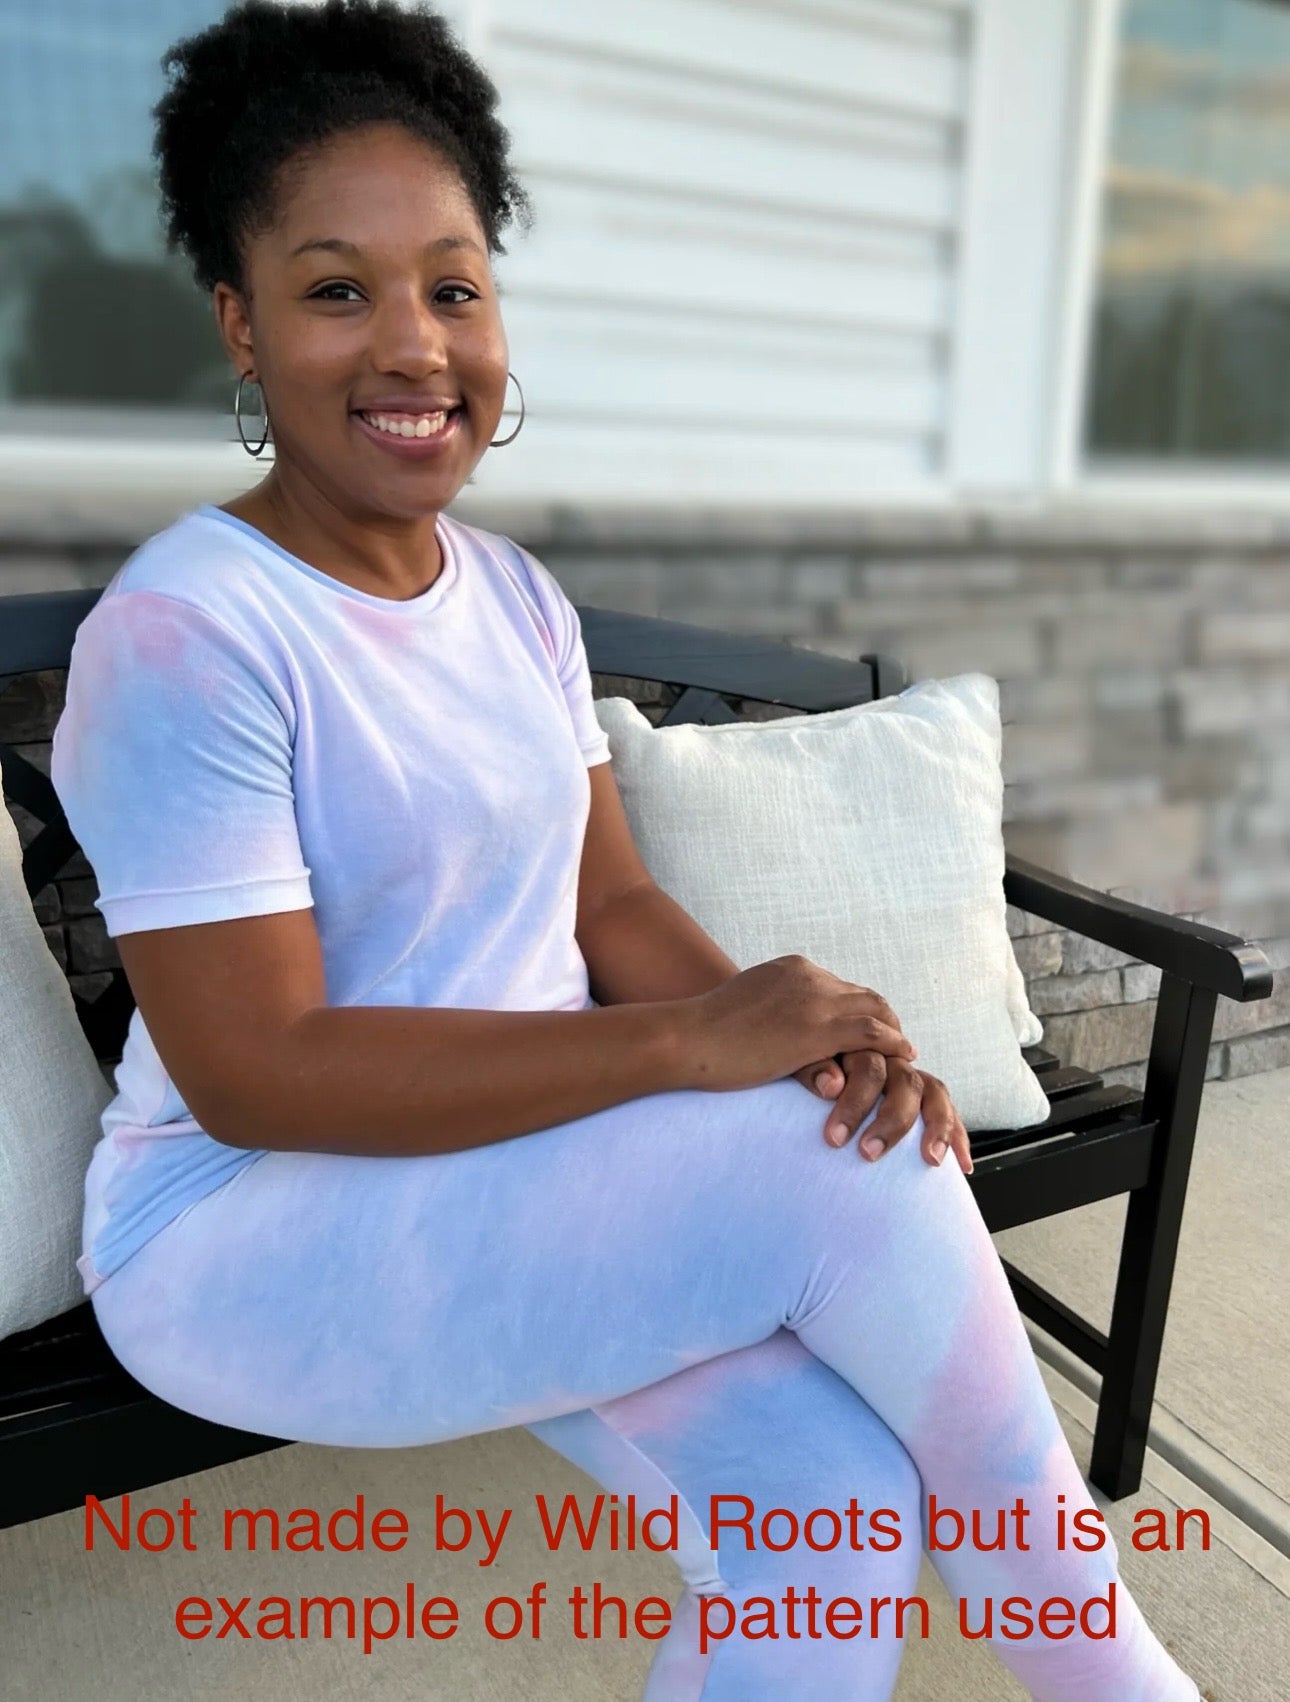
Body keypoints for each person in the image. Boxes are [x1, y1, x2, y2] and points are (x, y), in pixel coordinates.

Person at [50, 3, 1202, 1697]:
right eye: (336, 290)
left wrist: (807, 1042)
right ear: (239, 320)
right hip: (245, 1230)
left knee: (827, 1509)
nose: (412, 345)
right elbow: (255, 1072)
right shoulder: (188, 634)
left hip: (512, 1167)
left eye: (453, 288)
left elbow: (609, 900)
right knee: (846, 1172)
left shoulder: (514, 601)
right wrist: (691, 1045)